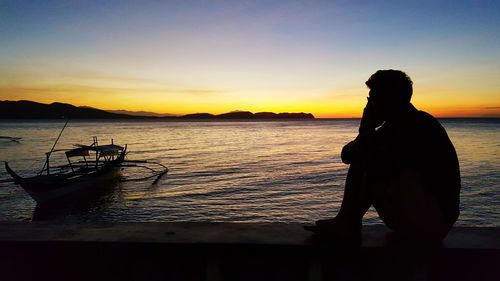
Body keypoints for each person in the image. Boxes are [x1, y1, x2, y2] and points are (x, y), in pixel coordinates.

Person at [305, 70, 461, 241]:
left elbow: (371, 161)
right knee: (364, 155)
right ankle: (347, 221)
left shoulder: (416, 126)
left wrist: (366, 128)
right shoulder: (396, 126)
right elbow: (347, 155)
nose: (369, 103)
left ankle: (347, 223)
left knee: (367, 159)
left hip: (432, 223)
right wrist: (366, 131)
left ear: (388, 99)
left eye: (372, 97)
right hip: (423, 218)